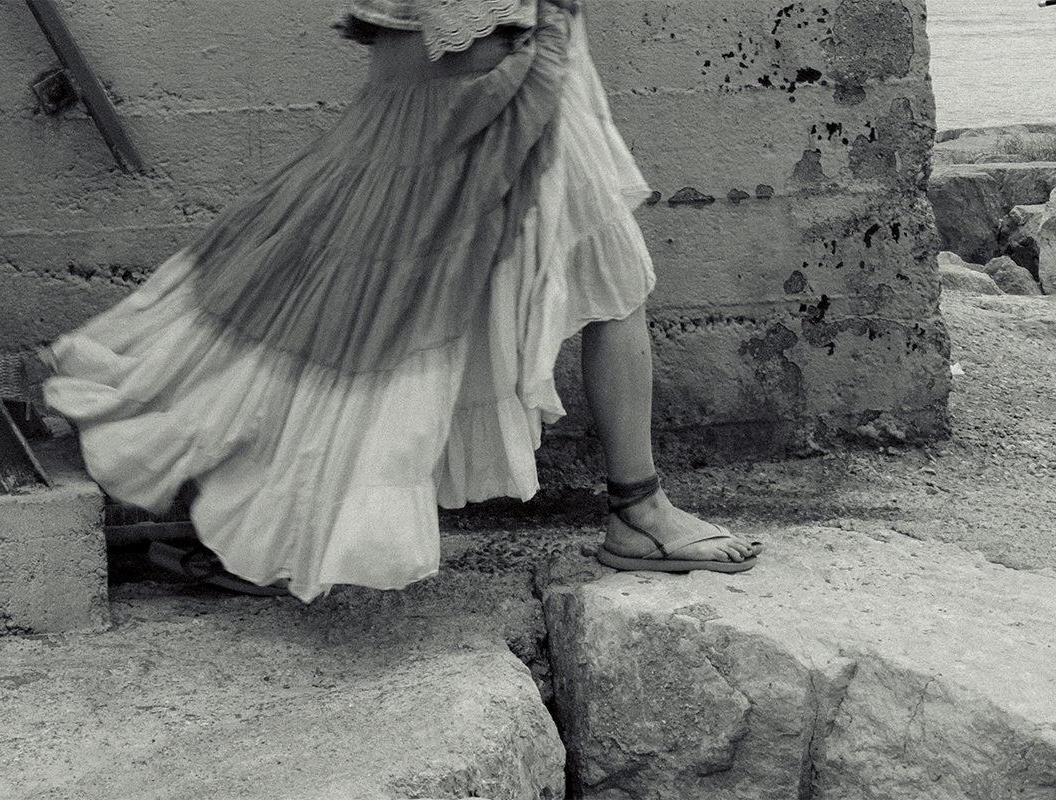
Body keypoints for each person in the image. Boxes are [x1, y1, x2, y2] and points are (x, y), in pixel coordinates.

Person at [43, 0, 762, 601]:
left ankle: (283, 529)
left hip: (469, 37)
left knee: (368, 288)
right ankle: (635, 511)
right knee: (422, 293)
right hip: (491, 49)